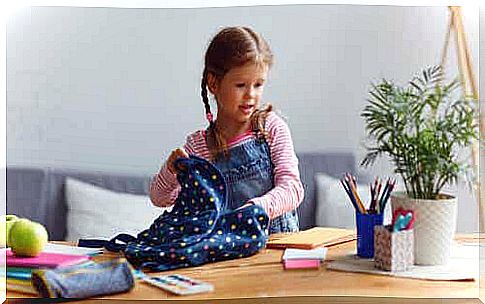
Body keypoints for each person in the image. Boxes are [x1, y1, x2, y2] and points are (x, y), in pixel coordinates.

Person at [150, 26, 304, 234]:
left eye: (258, 85)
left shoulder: (271, 128)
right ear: (213, 83)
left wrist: (256, 209)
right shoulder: (199, 146)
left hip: (277, 251)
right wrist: (170, 170)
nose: (251, 94)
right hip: (231, 258)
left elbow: (292, 189)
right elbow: (160, 198)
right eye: (241, 85)